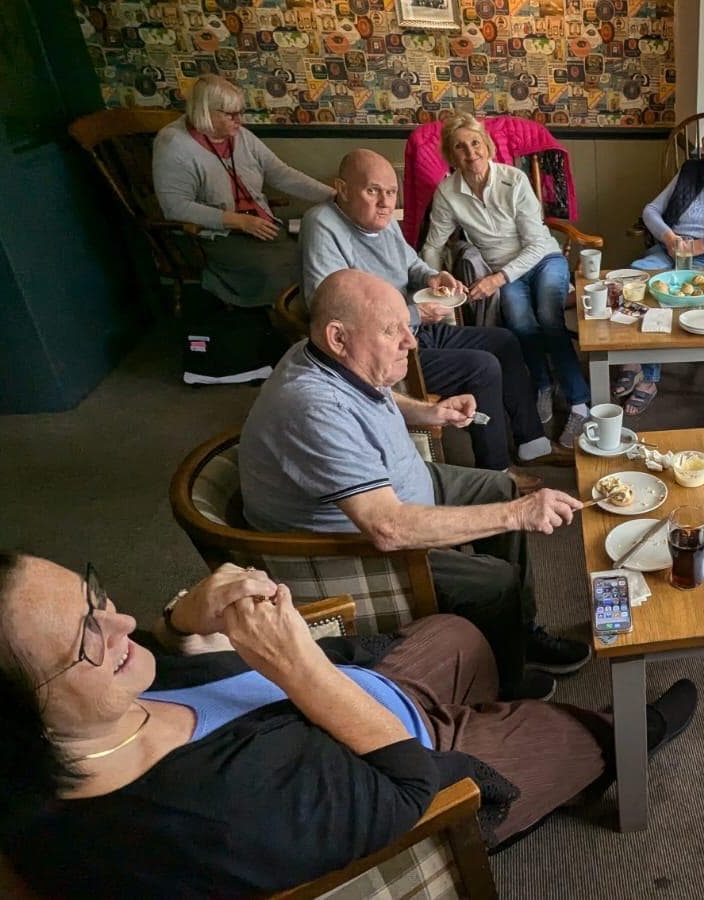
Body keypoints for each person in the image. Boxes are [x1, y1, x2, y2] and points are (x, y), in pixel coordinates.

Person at [0, 554, 697, 898]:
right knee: (572, 736)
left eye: (93, 597)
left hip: (363, 689)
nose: (117, 623)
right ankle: (619, 740)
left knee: (459, 634)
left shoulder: (86, 723)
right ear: (11, 726)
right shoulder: (213, 818)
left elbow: (149, 651)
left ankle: (487, 707)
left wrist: (183, 619)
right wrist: (295, 664)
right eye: (87, 637)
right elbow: (410, 791)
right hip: (414, 763)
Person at [239, 269, 592, 701]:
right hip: (349, 545)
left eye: (408, 327)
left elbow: (376, 392)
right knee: (495, 579)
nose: (411, 341)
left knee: (499, 488)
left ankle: (520, 631)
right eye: (393, 331)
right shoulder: (314, 407)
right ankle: (502, 685)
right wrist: (519, 515)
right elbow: (388, 528)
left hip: (400, 484)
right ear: (338, 337)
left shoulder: (322, 354)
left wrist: (428, 412)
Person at [301, 149, 566, 488]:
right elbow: (330, 309)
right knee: (482, 367)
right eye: (372, 191)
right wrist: (414, 313)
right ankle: (496, 475)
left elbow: (411, 264)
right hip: (384, 350)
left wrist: (432, 276)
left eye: (391, 192)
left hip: (416, 328)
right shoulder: (322, 225)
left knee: (505, 342)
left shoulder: (382, 221)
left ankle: (533, 444)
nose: (384, 202)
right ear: (343, 189)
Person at [419, 113, 591, 449]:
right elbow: (433, 246)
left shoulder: (514, 179)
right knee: (519, 322)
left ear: (487, 145)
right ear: (451, 155)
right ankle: (542, 384)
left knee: (549, 316)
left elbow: (537, 244)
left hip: (543, 259)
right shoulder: (448, 192)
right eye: (460, 147)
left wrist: (497, 279)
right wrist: (434, 282)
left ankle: (580, 403)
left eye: (475, 143)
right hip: (505, 271)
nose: (471, 153)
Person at [611, 111, 704, 416]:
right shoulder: (689, 169)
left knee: (669, 294)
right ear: (703, 143)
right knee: (637, 279)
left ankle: (649, 379)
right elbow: (650, 210)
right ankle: (634, 360)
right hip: (668, 249)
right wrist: (668, 237)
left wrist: (703, 244)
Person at [152, 74, 333, 308]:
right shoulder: (173, 144)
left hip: (260, 223)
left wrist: (332, 196)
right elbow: (175, 208)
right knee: (276, 269)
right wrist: (238, 221)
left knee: (310, 257)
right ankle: (281, 314)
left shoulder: (241, 136)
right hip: (215, 234)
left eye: (240, 112)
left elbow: (281, 174)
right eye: (230, 114)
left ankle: (298, 312)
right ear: (205, 112)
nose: (239, 120)